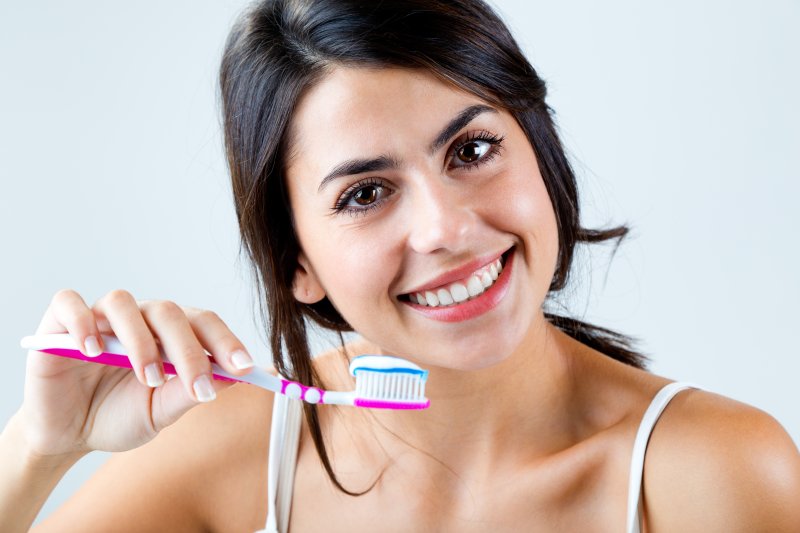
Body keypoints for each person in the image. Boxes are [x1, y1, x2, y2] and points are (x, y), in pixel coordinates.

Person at [2, 0, 798, 531]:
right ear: (297, 262)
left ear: (541, 152)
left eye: (473, 149)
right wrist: (39, 445)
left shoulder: (716, 473)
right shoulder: (237, 448)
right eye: (367, 192)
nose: (446, 227)